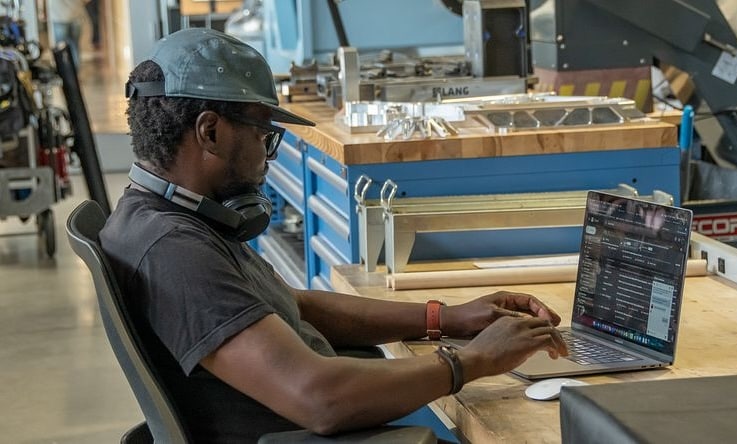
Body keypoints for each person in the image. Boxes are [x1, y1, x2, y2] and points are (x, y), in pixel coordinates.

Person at [100, 28, 568, 442]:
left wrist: (447, 318)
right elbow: (320, 400)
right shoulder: (175, 251)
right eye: (264, 134)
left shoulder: (171, 217)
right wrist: (473, 362)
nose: (269, 155)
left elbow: (296, 306)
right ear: (210, 132)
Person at [47, 0, 88, 69]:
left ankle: (64, 75)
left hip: (58, 18)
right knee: (74, 47)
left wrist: (42, 11)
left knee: (60, 50)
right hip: (76, 16)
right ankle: (74, 75)